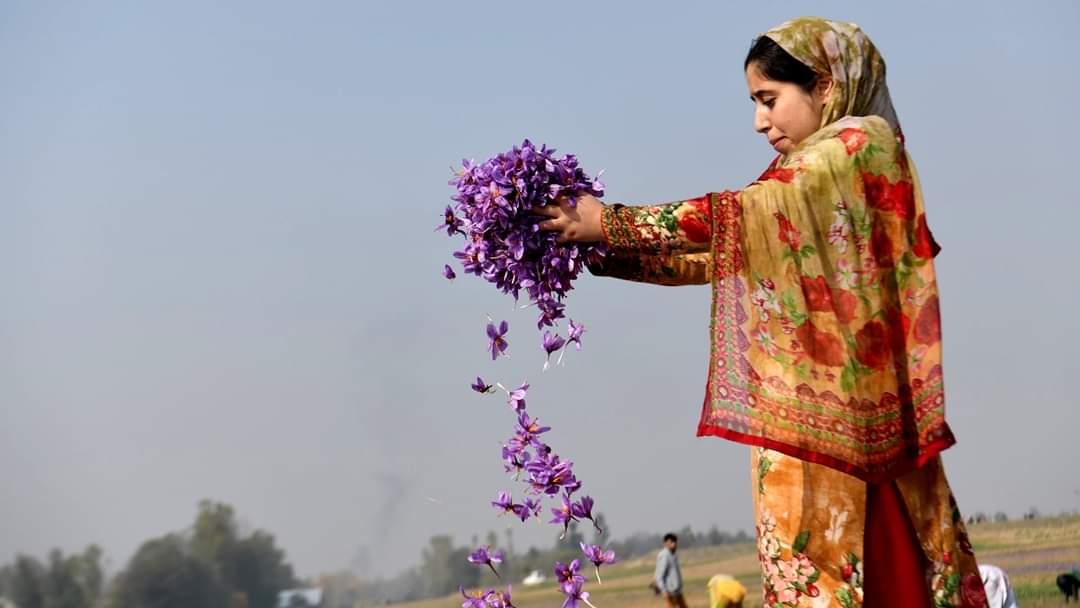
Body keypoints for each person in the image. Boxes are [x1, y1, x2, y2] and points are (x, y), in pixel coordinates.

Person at [536, 17, 987, 608]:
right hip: (809, 425)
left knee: (882, 572)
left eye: (769, 99)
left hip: (860, 432)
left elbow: (736, 215)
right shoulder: (800, 179)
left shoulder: (858, 146)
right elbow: (714, 255)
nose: (759, 121)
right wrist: (594, 248)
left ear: (826, 84)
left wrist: (611, 222)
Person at [655, 533, 686, 607]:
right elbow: (659, 575)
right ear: (665, 543)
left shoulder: (673, 554)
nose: (674, 544)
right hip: (669, 591)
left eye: (675, 541)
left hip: (677, 590)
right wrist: (664, 590)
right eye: (671, 542)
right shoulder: (664, 555)